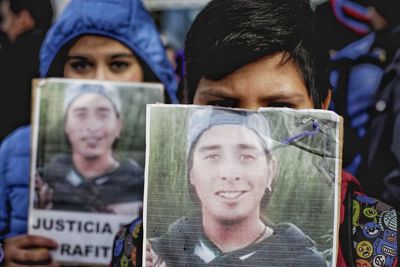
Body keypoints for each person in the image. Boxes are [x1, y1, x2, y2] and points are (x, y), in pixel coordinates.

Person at [112, 0, 399, 266]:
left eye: (279, 107)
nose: (247, 132)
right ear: (187, 105)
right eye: (223, 105)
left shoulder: (375, 240)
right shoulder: (140, 248)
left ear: (321, 108)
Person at [0, 0, 177, 265]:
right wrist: (5, 256)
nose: (100, 81)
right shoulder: (16, 149)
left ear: (148, 72)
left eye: (118, 65)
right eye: (81, 64)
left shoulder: (178, 153)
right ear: (59, 71)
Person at [147, 108, 325, 266]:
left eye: (246, 156)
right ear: (191, 171)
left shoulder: (303, 261)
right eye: (212, 156)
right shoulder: (153, 255)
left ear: (270, 171)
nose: (229, 173)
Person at [36, 84, 143, 214]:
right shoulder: (45, 180)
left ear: (119, 125)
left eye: (103, 115)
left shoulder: (140, 183)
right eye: (81, 115)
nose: (92, 127)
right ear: (66, 124)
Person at [0, 0, 53, 141]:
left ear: (24, 19)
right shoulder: (56, 55)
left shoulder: (11, 59)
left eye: (5, 19)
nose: (4, 28)